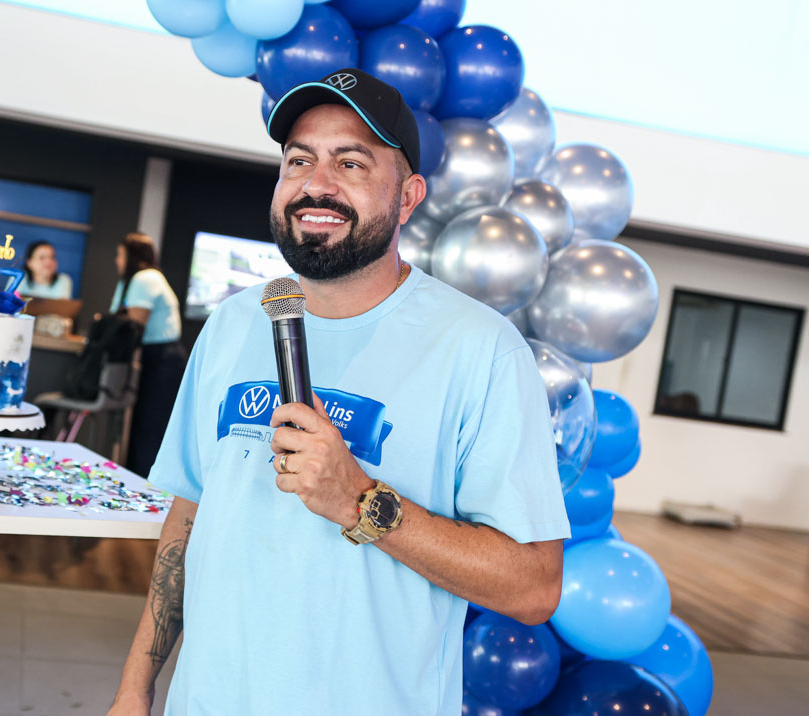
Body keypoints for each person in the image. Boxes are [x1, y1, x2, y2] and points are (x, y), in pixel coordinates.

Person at [109, 70, 569, 715]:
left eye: (351, 162)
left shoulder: (480, 349)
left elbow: (533, 587)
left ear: (408, 197)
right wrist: (136, 688)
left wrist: (358, 500)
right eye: (299, 160)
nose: (316, 184)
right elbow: (189, 515)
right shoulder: (234, 323)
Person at [109, 232, 186, 477]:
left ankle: (145, 484)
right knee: (142, 425)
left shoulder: (145, 278)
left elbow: (133, 325)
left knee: (150, 425)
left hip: (162, 359)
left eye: (120, 255)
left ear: (132, 256)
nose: (117, 260)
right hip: (154, 357)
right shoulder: (136, 280)